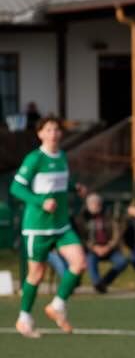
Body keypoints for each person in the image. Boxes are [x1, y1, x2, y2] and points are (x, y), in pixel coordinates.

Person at [10, 117, 85, 336]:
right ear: (40, 134)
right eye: (48, 130)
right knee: (36, 274)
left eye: (56, 130)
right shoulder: (35, 158)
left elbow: (58, 184)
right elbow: (16, 187)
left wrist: (74, 188)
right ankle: (24, 318)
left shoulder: (62, 156)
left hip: (61, 224)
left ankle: (57, 306)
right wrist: (40, 202)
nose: (53, 133)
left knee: (79, 263)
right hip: (38, 227)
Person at [78, 192, 129, 293]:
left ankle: (104, 282)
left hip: (109, 249)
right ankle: (97, 283)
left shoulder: (110, 217)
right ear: (87, 205)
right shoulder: (82, 219)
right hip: (92, 250)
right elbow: (81, 237)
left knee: (122, 261)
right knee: (90, 260)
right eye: (92, 204)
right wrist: (93, 247)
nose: (95, 206)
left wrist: (108, 247)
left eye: (97, 203)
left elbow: (116, 235)